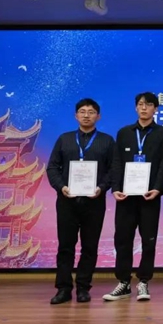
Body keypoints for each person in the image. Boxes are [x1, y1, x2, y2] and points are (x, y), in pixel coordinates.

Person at [103, 92, 163, 302]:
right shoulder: (124, 133)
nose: (144, 108)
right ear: (136, 108)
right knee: (123, 239)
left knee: (148, 240)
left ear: (155, 109)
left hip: (150, 196)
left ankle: (143, 281)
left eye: (149, 104)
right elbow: (117, 162)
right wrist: (115, 188)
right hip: (126, 196)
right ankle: (123, 282)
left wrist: (158, 188)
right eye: (141, 104)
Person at [46, 98, 115, 304]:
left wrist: (101, 188)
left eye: (91, 112)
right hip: (67, 200)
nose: (86, 115)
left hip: (94, 201)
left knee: (90, 246)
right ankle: (63, 289)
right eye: (82, 111)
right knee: (65, 246)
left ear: (98, 116)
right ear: (76, 115)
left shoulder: (107, 141)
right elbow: (52, 167)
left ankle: (83, 288)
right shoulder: (64, 139)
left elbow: (113, 170)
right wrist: (62, 187)